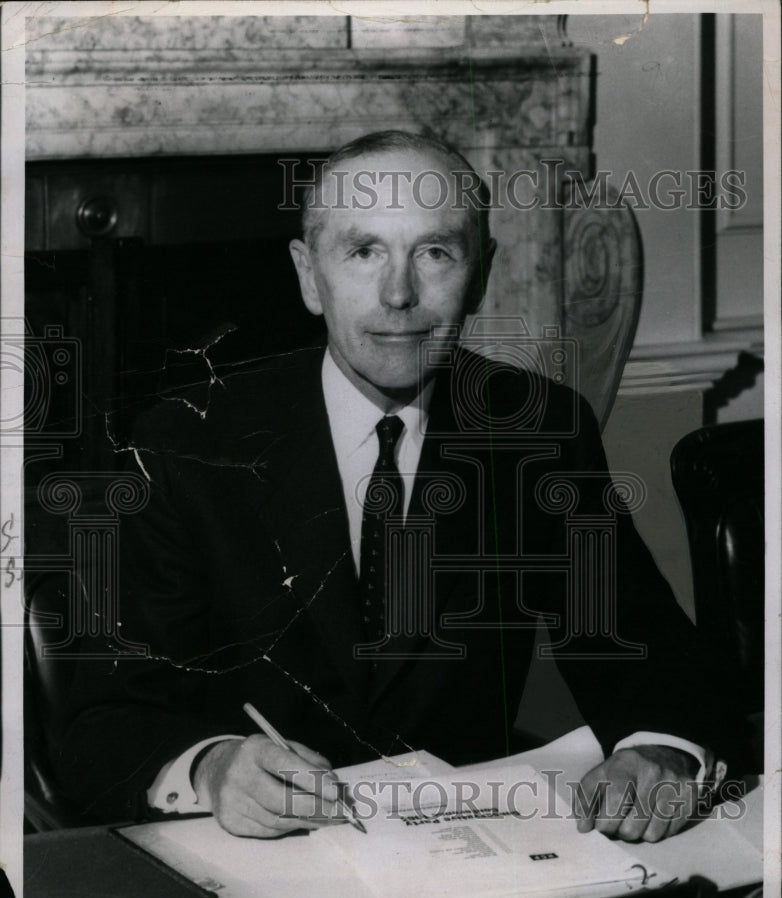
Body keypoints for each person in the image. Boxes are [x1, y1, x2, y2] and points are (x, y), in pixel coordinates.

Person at [54, 131, 733, 843]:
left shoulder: (536, 430)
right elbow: (99, 726)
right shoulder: (185, 441)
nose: (400, 293)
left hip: (477, 866)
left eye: (435, 252)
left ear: (481, 274)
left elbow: (646, 649)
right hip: (256, 871)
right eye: (363, 250)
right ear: (309, 277)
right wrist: (213, 768)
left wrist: (660, 750)